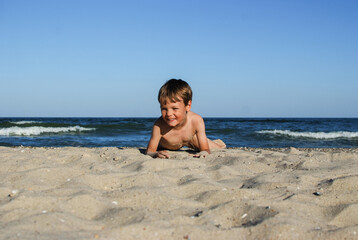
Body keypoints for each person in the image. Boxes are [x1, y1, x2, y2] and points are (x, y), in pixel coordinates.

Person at [146, 79, 226, 158]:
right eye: (164, 109)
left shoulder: (196, 120)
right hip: (168, 145)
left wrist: (204, 152)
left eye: (174, 108)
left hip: (190, 138)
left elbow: (205, 149)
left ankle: (218, 143)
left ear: (188, 106)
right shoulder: (159, 126)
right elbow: (150, 151)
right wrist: (155, 154)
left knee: (219, 148)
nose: (169, 114)